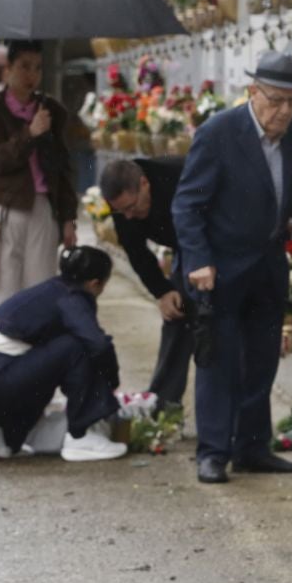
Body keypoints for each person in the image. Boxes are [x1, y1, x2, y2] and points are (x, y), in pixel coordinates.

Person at [173, 52, 292, 485]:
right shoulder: (219, 134)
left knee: (262, 359)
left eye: (291, 101)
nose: (283, 111)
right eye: (275, 100)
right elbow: (187, 205)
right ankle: (212, 452)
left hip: (267, 265)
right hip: (221, 267)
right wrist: (199, 260)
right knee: (218, 361)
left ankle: (251, 447)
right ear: (253, 93)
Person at [0, 246, 128, 463]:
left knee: (46, 366)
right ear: (96, 283)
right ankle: (81, 437)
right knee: (76, 346)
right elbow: (97, 344)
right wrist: (111, 382)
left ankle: (0, 435)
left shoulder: (48, 290)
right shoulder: (73, 297)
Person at [0, 40, 78, 314]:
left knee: (41, 293)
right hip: (0, 209)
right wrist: (30, 134)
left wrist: (68, 218)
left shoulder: (52, 111)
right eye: (24, 67)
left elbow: (62, 168)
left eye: (38, 68)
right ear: (7, 71)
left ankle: (33, 354)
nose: (32, 75)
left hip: (42, 209)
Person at [99, 156, 193, 412]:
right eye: (121, 211)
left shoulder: (179, 176)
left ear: (144, 184)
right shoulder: (122, 205)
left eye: (132, 207)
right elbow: (136, 251)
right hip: (183, 248)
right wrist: (162, 292)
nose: (128, 216)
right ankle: (163, 406)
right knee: (177, 312)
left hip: (215, 239)